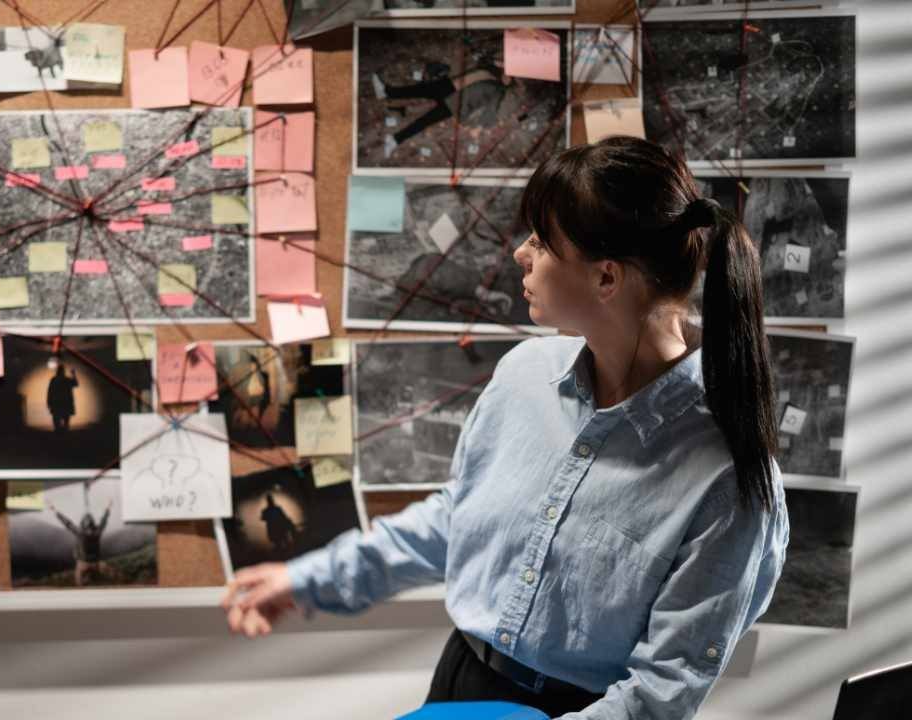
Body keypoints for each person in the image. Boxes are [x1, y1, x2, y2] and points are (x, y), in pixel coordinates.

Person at [220, 136, 790, 719]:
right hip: (461, 682)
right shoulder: (525, 374)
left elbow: (663, 689)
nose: (521, 253)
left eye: (541, 241)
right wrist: (308, 580)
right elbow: (460, 518)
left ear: (606, 279)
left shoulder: (727, 477)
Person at [372, 52, 512, 159]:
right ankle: (386, 92)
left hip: (457, 103)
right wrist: (499, 63)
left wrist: (479, 127)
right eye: (509, 73)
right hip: (450, 86)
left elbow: (491, 109)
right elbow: (482, 58)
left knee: (424, 121)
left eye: (510, 78)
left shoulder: (498, 91)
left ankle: (395, 140)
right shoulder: (491, 68)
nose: (507, 77)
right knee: (417, 90)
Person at [46, 362, 79, 432]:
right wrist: (73, 374)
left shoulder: (54, 380)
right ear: (63, 371)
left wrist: (49, 402)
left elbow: (49, 392)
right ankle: (62, 433)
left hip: (58, 403)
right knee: (63, 421)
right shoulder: (63, 380)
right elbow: (76, 384)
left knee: (59, 422)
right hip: (63, 403)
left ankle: (60, 433)